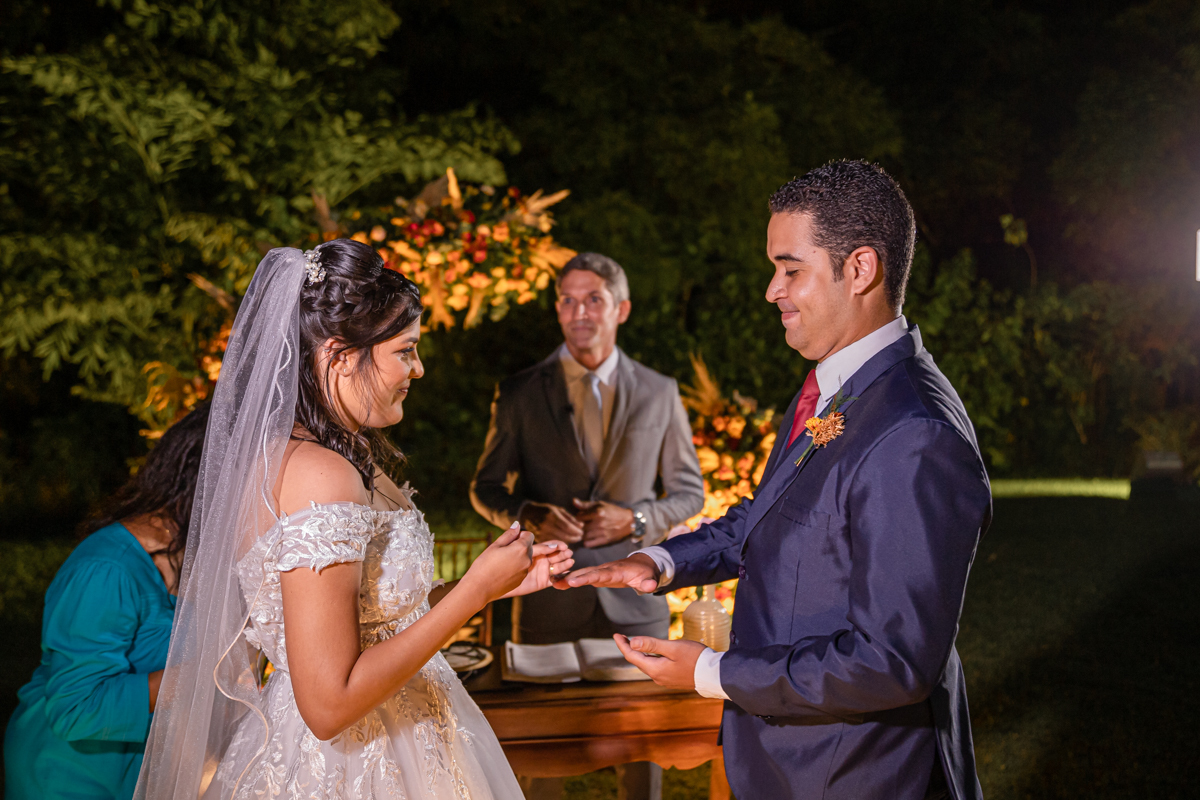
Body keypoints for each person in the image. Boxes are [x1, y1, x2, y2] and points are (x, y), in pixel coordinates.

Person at [559, 161, 992, 800]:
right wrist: (659, 561)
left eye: (790, 270)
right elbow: (773, 515)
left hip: (853, 773)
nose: (772, 290)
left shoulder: (915, 432)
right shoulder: (836, 384)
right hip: (793, 763)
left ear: (860, 269)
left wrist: (713, 672)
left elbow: (892, 662)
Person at [133, 240, 572, 800]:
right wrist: (474, 594)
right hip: (350, 766)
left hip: (411, 736)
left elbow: (376, 617)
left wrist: (492, 583)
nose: (418, 368)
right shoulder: (318, 473)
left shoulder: (338, 455)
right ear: (339, 356)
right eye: (406, 350)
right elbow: (328, 705)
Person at [470, 252, 704, 800]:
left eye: (593, 299)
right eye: (568, 300)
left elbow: (688, 491)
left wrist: (637, 518)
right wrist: (527, 514)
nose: (579, 312)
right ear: (558, 309)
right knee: (540, 761)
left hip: (638, 598)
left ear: (621, 309)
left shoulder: (660, 390)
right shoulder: (520, 391)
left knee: (644, 751)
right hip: (548, 600)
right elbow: (485, 488)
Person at [4, 402, 209, 800]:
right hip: (68, 774)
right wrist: (198, 680)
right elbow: (75, 708)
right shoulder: (107, 570)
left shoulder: (202, 556)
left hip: (140, 773)